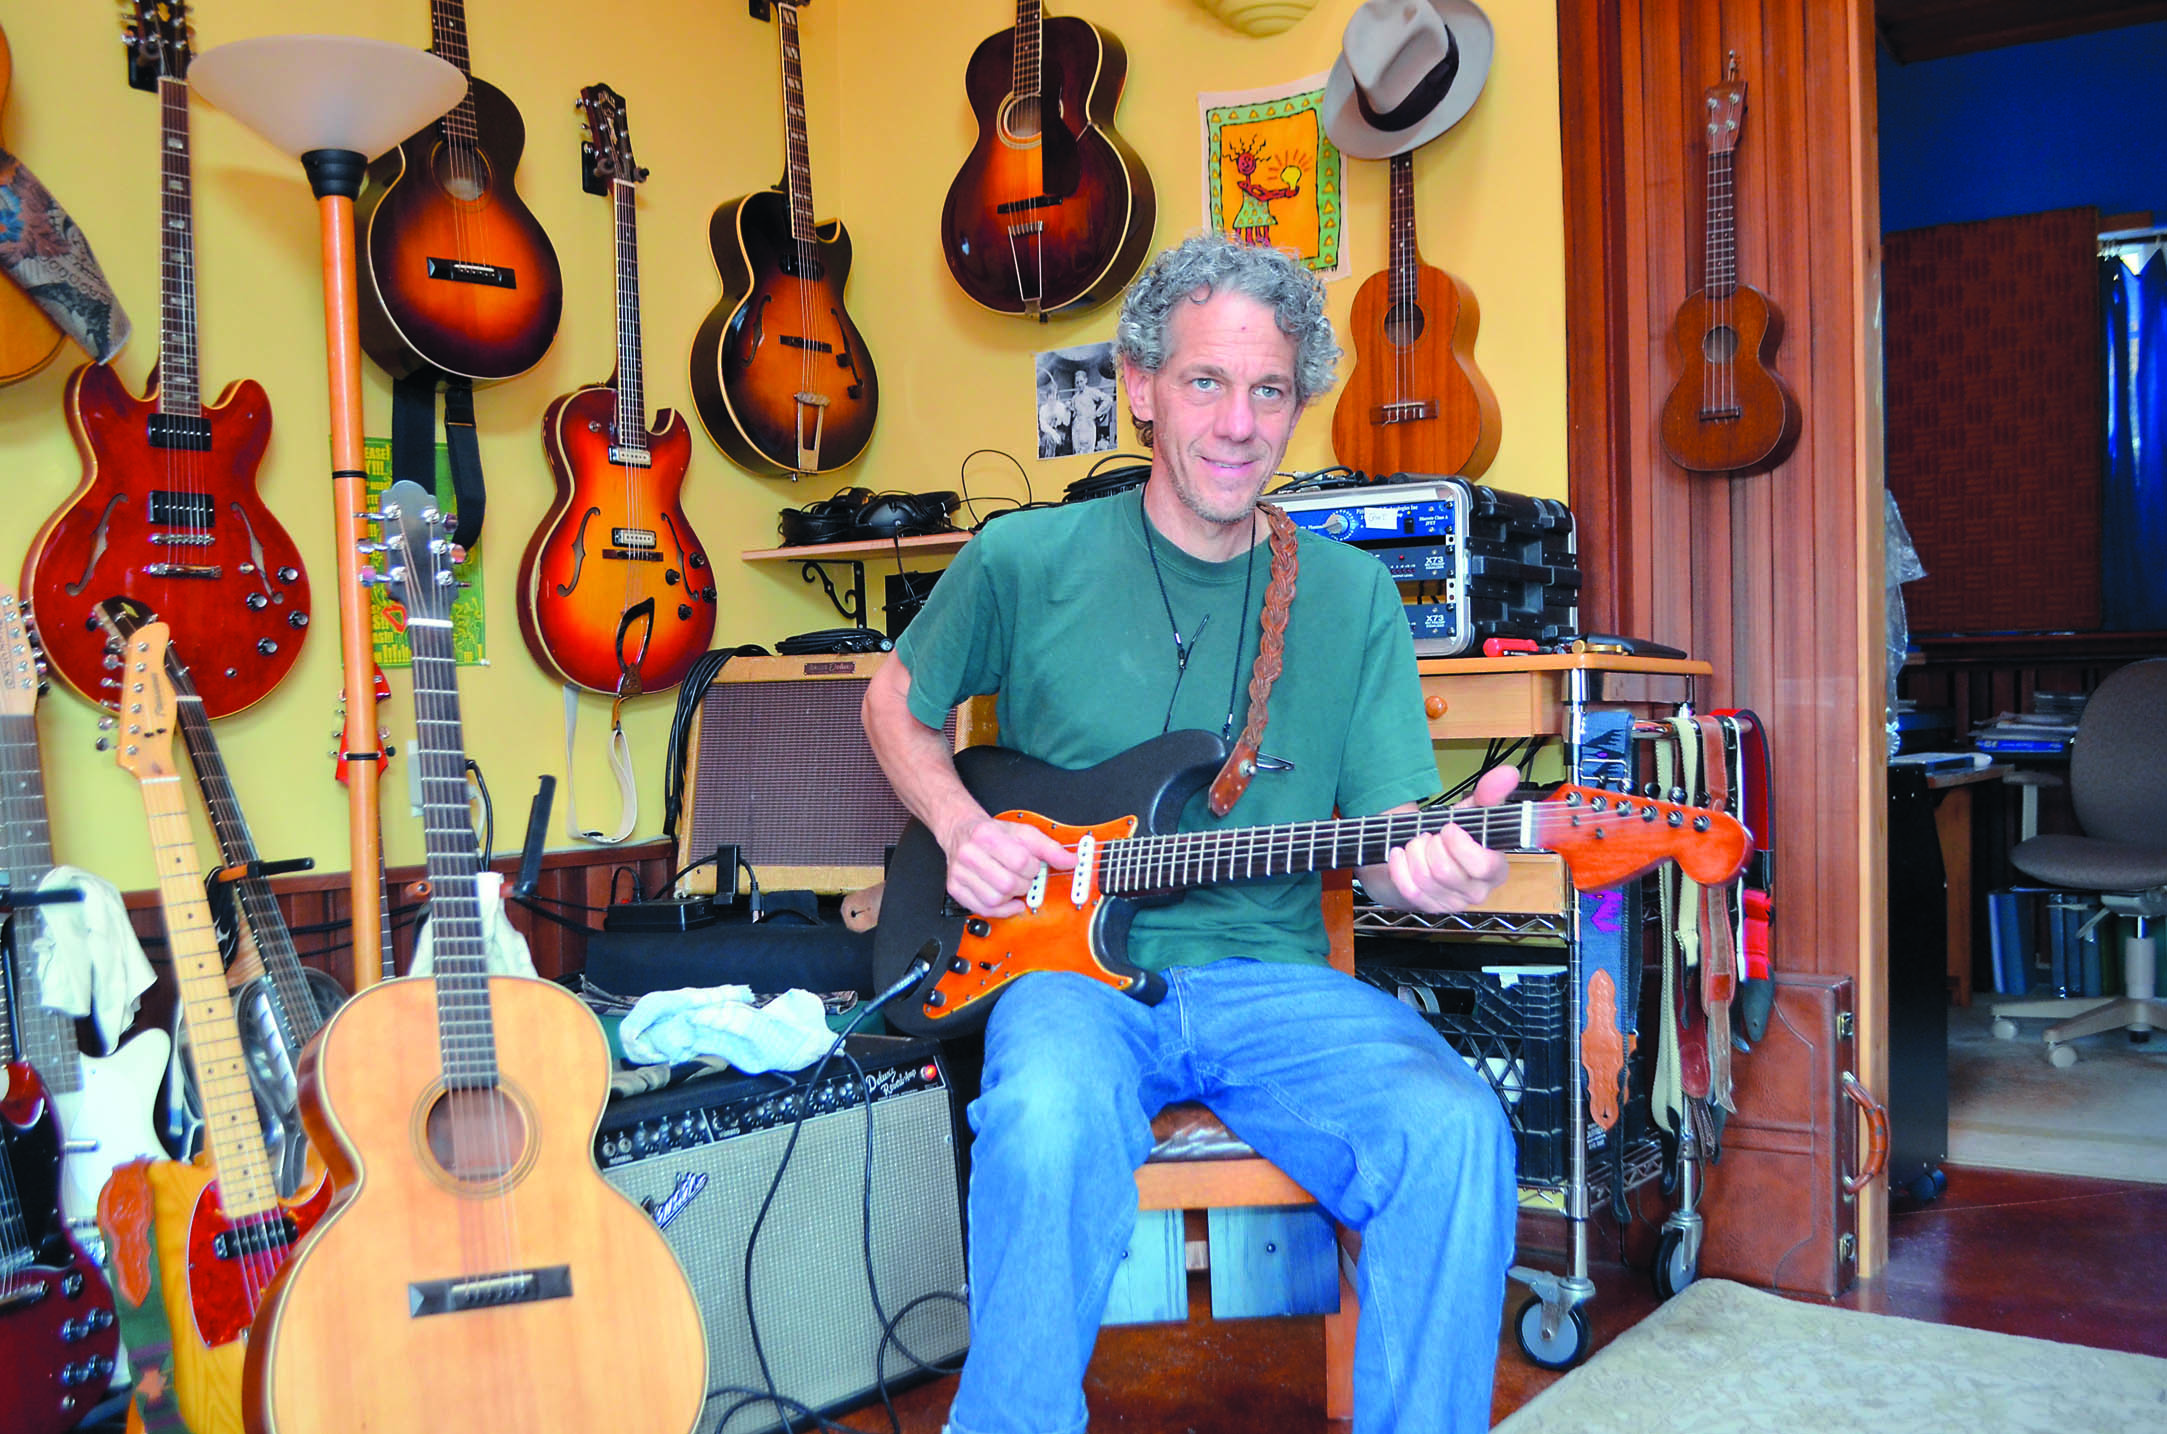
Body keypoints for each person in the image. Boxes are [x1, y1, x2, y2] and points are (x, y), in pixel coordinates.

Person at [862, 233, 1518, 1434]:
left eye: (1269, 390)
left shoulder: (1349, 595)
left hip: (1272, 981)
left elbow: (1383, 835)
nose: (1236, 423)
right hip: (1067, 975)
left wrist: (1433, 870)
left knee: (1455, 1127)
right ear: (1141, 386)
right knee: (1042, 1117)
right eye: (1206, 382)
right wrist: (959, 825)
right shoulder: (1026, 556)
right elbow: (892, 702)